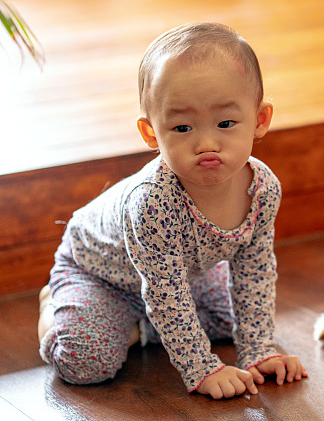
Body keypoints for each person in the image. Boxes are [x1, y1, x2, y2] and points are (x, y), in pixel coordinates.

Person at [37, 21, 306, 399]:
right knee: (87, 362)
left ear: (259, 121)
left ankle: (140, 328)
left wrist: (258, 352)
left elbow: (255, 272)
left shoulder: (262, 189)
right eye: (182, 128)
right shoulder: (153, 201)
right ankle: (56, 306)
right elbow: (167, 294)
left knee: (234, 317)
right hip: (99, 274)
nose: (207, 142)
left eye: (226, 123)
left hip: (177, 273)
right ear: (151, 133)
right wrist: (202, 369)